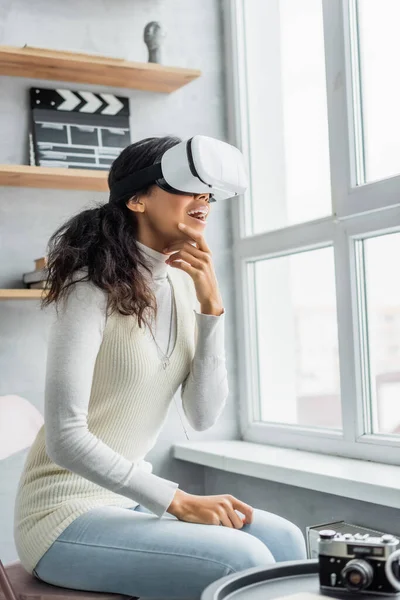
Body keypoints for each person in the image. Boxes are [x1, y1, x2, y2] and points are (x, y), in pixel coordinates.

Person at [14, 135, 306, 600]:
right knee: (243, 558)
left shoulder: (187, 288)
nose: (204, 199)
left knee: (286, 539)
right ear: (137, 199)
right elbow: (66, 439)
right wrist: (178, 500)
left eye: (209, 191)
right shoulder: (89, 289)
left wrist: (212, 308)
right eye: (189, 185)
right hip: (63, 514)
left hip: (128, 499)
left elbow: (202, 415)